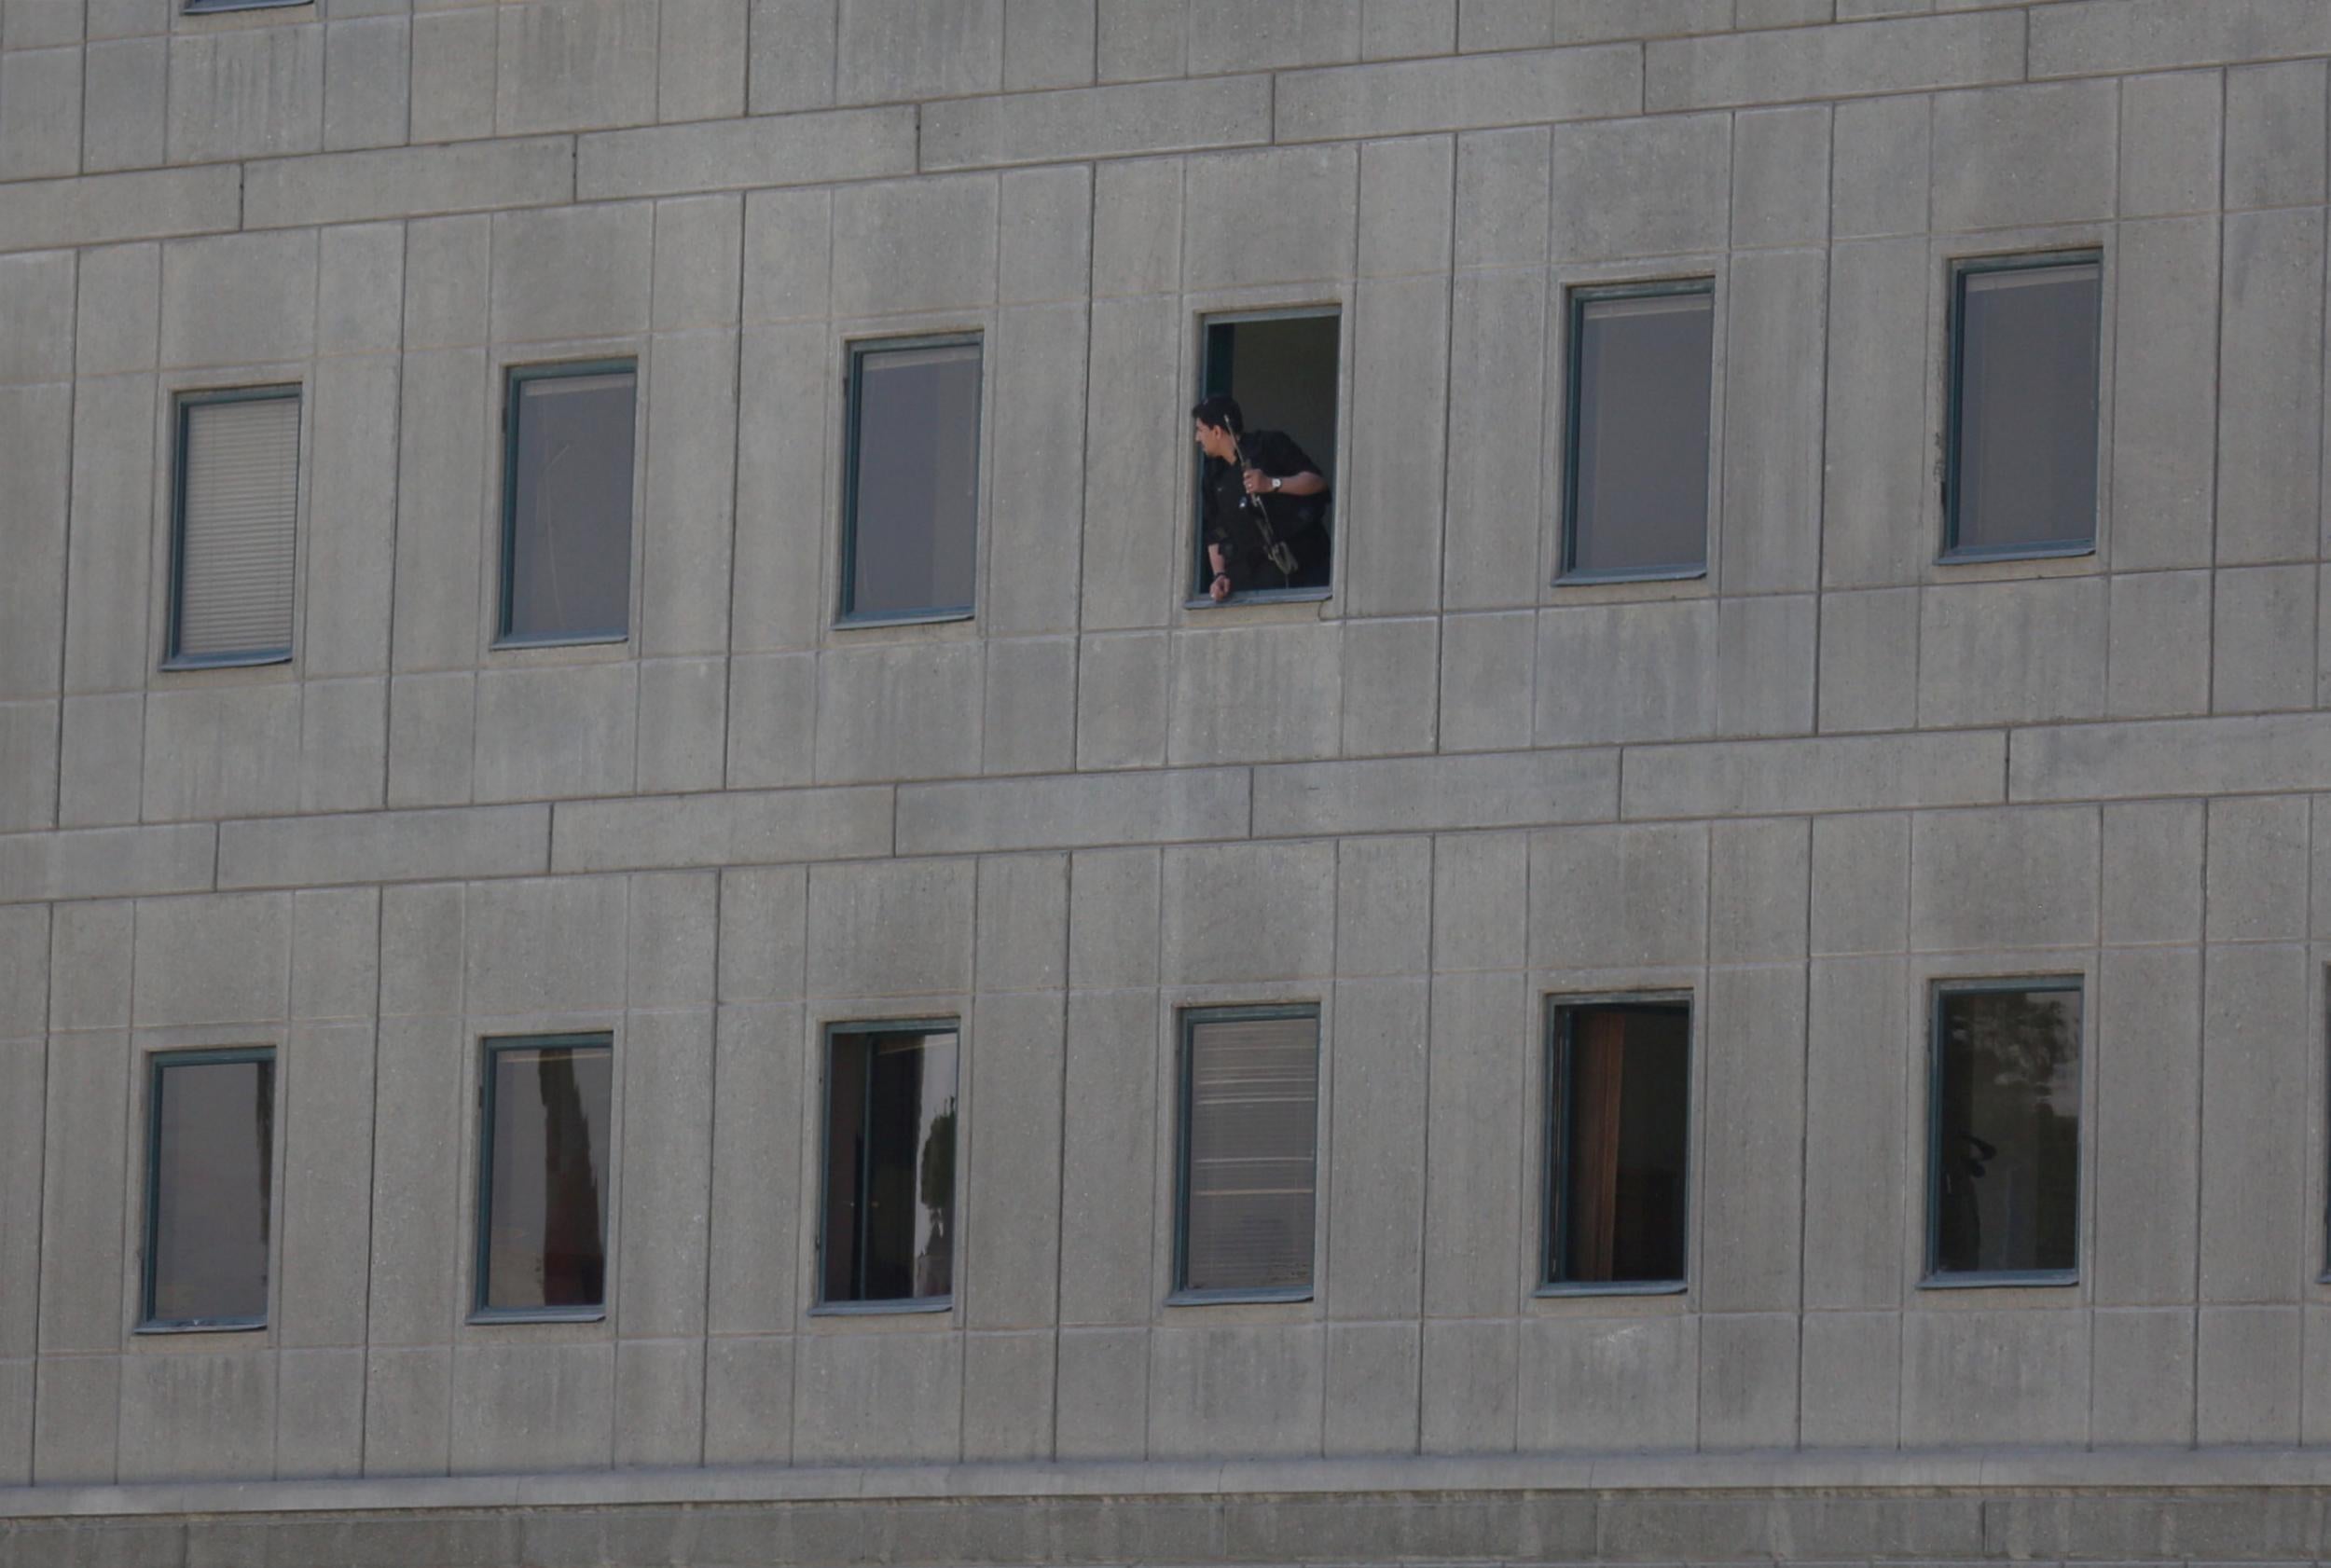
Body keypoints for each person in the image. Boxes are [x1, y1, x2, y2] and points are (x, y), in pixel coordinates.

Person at [1191, 394, 1331, 601]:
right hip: (1251, 584)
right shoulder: (1213, 474)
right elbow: (1215, 531)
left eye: (1200, 430)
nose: (1197, 438)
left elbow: (1316, 482)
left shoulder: (1270, 445)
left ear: (1217, 431)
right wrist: (1219, 574)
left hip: (1304, 574)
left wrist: (1271, 484)